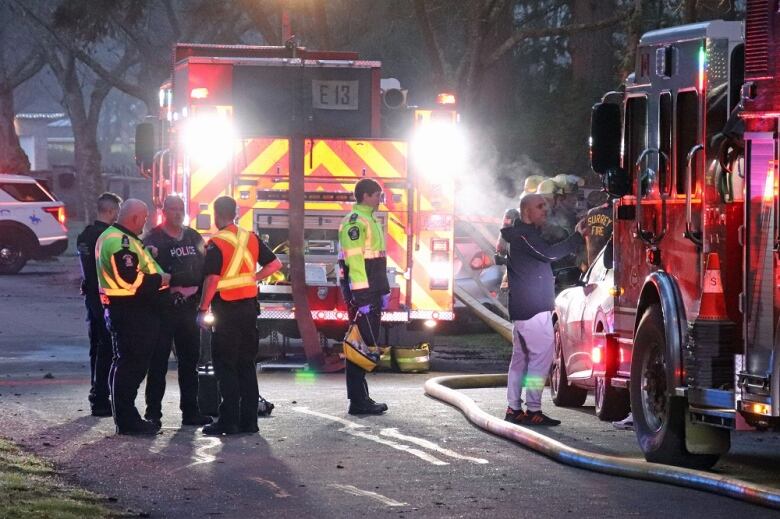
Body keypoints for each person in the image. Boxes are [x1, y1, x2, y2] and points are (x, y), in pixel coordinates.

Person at [197, 196, 282, 435]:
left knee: (226, 366)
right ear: (235, 213)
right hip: (249, 310)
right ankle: (249, 421)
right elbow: (275, 265)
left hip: (226, 310)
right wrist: (253, 278)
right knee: (246, 366)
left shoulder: (216, 242)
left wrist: (203, 308)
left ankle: (228, 421)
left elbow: (212, 279)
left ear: (216, 214)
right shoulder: (250, 237)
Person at [500, 192, 586, 426]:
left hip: (524, 310)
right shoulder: (523, 236)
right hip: (533, 310)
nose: (545, 210)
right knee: (539, 361)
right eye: (540, 206)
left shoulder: (521, 235)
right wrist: (577, 238)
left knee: (521, 360)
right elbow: (548, 254)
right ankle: (533, 409)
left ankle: (514, 408)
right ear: (526, 212)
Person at [96, 199, 171, 435]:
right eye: (145, 218)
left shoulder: (116, 237)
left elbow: (130, 268)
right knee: (131, 366)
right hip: (131, 312)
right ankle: (128, 421)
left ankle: (126, 418)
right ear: (135, 218)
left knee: (125, 364)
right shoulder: (120, 241)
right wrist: (161, 279)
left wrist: (146, 254)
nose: (146, 223)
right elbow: (130, 281)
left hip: (128, 310)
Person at [143, 196, 212, 428]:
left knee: (190, 362)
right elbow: (149, 275)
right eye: (172, 209)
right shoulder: (153, 239)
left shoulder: (193, 237)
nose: (177, 213)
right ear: (163, 211)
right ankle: (153, 413)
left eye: (180, 209)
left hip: (189, 309)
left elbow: (205, 269)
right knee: (158, 363)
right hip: (163, 310)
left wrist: (202, 299)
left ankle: (191, 412)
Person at [338, 178, 390, 415]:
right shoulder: (356, 222)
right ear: (366, 196)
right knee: (358, 345)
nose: (380, 199)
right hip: (364, 293)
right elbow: (356, 262)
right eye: (378, 195)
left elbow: (375, 259)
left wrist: (382, 292)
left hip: (372, 291)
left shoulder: (369, 219)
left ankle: (361, 398)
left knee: (364, 343)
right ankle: (357, 402)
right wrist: (362, 298)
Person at [77, 192, 122, 417]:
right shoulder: (108, 237)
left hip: (91, 298)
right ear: (111, 211)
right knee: (107, 348)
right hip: (105, 298)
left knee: (96, 348)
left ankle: (97, 396)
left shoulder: (84, 235)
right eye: (117, 212)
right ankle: (103, 398)